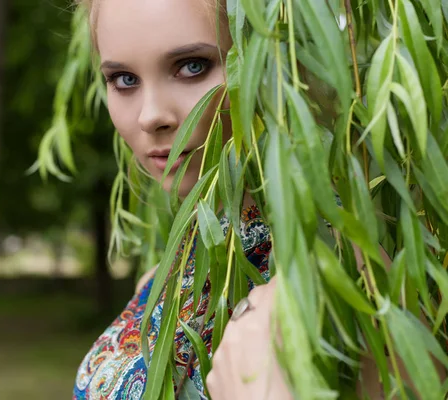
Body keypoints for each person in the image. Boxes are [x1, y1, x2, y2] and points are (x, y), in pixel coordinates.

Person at [71, 0, 439, 398]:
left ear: (274, 63)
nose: (150, 116)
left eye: (193, 65)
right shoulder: (164, 278)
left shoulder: (351, 281)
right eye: (124, 79)